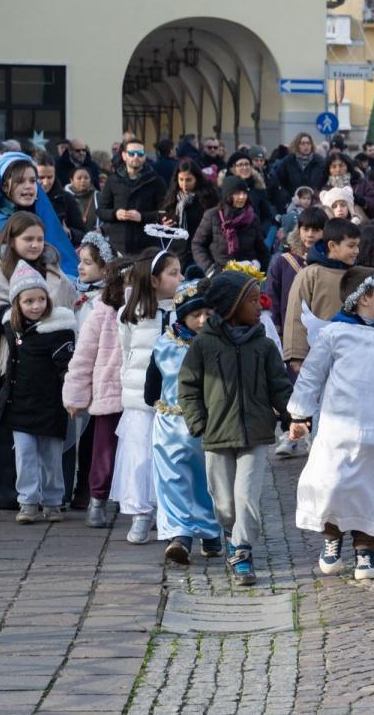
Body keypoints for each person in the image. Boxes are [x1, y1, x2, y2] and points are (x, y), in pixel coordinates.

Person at [288, 267, 374, 580]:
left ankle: (366, 548)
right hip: (338, 431)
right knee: (331, 484)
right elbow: (312, 375)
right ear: (363, 298)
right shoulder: (334, 335)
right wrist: (299, 413)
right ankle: (332, 536)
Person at [0, 213, 77, 508]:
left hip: (47, 365)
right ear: (12, 239)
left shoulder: (52, 268)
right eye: (28, 239)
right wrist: (14, 314)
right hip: (3, 361)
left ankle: (46, 495)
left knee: (45, 435)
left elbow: (64, 303)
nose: (35, 245)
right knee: (1, 431)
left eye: (39, 239)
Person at [179, 270, 293, 586]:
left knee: (246, 497)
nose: (260, 306)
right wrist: (198, 422)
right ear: (230, 306)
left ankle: (242, 551)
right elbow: (188, 387)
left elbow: (279, 386)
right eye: (252, 300)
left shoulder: (264, 345)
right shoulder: (203, 345)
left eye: (260, 299)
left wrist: (292, 416)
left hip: (255, 433)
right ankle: (232, 533)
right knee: (224, 503)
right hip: (216, 434)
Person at [0, 153, 79, 420]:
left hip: (41, 332)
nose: (29, 186)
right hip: (0, 333)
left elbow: (66, 269)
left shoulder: (45, 221)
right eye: (20, 181)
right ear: (4, 184)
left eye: (33, 180)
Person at [144, 279, 223, 564]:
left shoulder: (217, 344)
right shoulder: (164, 345)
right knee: (172, 478)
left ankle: (211, 531)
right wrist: (155, 401)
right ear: (182, 316)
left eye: (207, 315)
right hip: (170, 424)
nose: (202, 321)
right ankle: (181, 534)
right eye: (195, 315)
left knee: (208, 480)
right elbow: (151, 386)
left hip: (207, 423)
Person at [111, 249, 183, 544]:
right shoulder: (132, 313)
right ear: (154, 280)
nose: (180, 278)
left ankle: (170, 513)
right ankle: (141, 513)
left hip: (175, 397)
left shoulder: (184, 310)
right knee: (140, 454)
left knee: (170, 455)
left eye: (180, 272)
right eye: (173, 273)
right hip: (141, 397)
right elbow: (126, 351)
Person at [0, 261, 76, 524]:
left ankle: (53, 501)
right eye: (29, 301)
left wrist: (72, 394)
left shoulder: (58, 331)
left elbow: (66, 366)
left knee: (51, 457)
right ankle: (28, 501)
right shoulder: (12, 327)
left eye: (41, 299)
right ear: (17, 304)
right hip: (19, 403)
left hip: (50, 405)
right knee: (25, 454)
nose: (36, 306)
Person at [64, 258, 131, 529]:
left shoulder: (149, 312)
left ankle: (143, 503)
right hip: (109, 392)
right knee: (103, 451)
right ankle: (97, 499)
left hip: (140, 395)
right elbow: (83, 356)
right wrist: (76, 396)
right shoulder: (102, 312)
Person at [282, 218, 361, 378]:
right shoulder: (310, 274)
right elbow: (296, 314)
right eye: (351, 246)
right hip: (317, 353)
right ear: (332, 246)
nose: (357, 251)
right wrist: (296, 354)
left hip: (353, 354)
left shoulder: (357, 275)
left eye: (357, 246)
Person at [266, 206, 326, 349]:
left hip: (322, 335)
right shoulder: (283, 261)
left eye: (316, 230)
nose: (310, 234)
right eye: (305, 229)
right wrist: (277, 331)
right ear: (298, 230)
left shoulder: (331, 262)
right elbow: (272, 297)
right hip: (290, 333)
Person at [98, 138, 167, 256]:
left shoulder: (156, 181)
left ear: (145, 156)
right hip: (118, 244)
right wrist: (116, 214)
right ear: (124, 156)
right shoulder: (113, 180)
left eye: (140, 154)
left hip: (146, 245)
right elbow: (101, 211)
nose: (136, 156)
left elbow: (164, 212)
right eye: (131, 153)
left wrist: (142, 217)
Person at [191, 175, 270, 274]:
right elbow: (197, 245)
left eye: (244, 193)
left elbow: (261, 249)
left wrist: (260, 266)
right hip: (220, 273)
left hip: (247, 274)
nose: (242, 197)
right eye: (237, 193)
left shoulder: (252, 218)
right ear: (228, 195)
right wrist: (209, 270)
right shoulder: (212, 216)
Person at [160, 159, 220, 270]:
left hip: (202, 252)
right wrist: (166, 224)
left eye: (188, 180)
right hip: (178, 253)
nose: (184, 184)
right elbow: (166, 217)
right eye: (181, 179)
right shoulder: (173, 197)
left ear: (197, 179)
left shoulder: (208, 197)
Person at [276, 132, 325, 200]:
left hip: (314, 200)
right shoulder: (288, 161)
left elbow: (323, 181)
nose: (306, 146)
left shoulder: (320, 162)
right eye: (302, 143)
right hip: (293, 200)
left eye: (308, 143)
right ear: (297, 145)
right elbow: (280, 181)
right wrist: (286, 197)